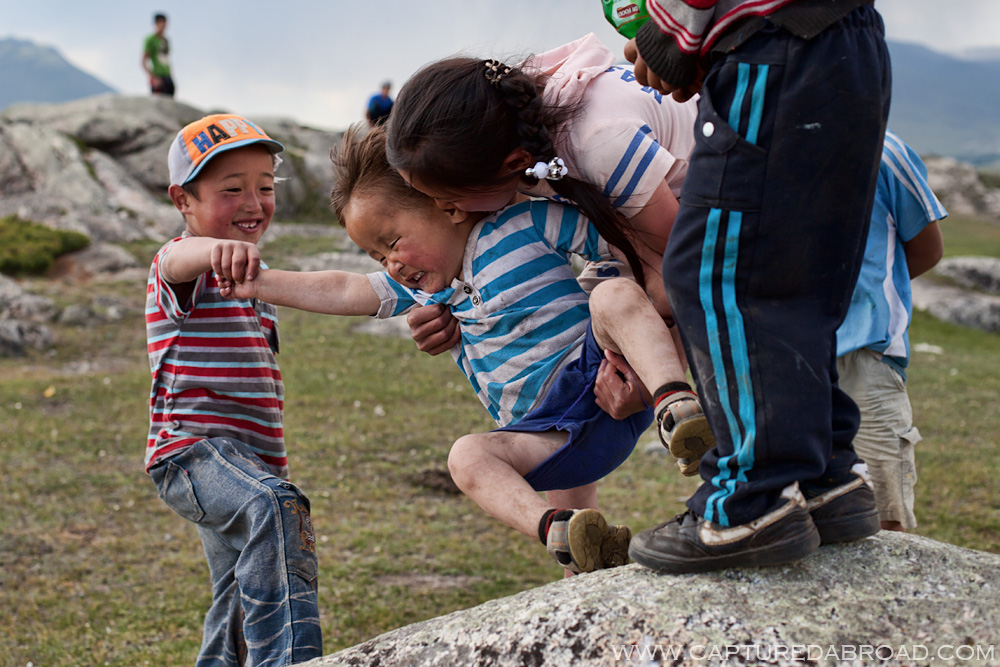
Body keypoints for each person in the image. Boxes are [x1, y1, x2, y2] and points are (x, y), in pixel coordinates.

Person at [220, 124, 711, 575]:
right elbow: (345, 290)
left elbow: (622, 249)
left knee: (613, 295)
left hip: (604, 375)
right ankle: (566, 536)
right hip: (543, 433)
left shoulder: (526, 223)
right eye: (375, 256)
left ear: (442, 201)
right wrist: (259, 282)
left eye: (392, 241)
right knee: (467, 457)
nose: (390, 264)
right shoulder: (426, 292)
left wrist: (622, 340)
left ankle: (677, 406)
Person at [622, 0, 893, 573]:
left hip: (774, 44)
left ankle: (749, 500)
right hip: (844, 40)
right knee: (797, 263)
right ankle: (824, 475)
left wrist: (671, 34)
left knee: (713, 272)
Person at [385, 34, 705, 469]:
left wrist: (655, 377)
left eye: (449, 199)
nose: (447, 213)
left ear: (513, 164)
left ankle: (714, 444)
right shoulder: (513, 114)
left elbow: (686, 263)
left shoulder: (595, 143)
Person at [145, 114, 322, 665]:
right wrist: (214, 252)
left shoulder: (254, 279)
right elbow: (177, 258)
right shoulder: (182, 265)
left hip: (249, 462)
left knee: (237, 603)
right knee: (276, 507)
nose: (253, 202)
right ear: (183, 201)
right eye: (231, 190)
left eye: (265, 187)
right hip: (190, 453)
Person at [836, 130, 946, 533]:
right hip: (797, 354)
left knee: (883, 511)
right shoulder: (776, 143)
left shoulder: (885, 151)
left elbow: (927, 249)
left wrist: (864, 301)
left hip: (869, 355)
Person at [141, 13, 175, 97]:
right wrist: (153, 77)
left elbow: (165, 58)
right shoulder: (150, 40)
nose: (164, 26)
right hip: (157, 76)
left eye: (165, 23)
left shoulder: (166, 40)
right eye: (161, 23)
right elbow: (143, 61)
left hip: (167, 75)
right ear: (156, 23)